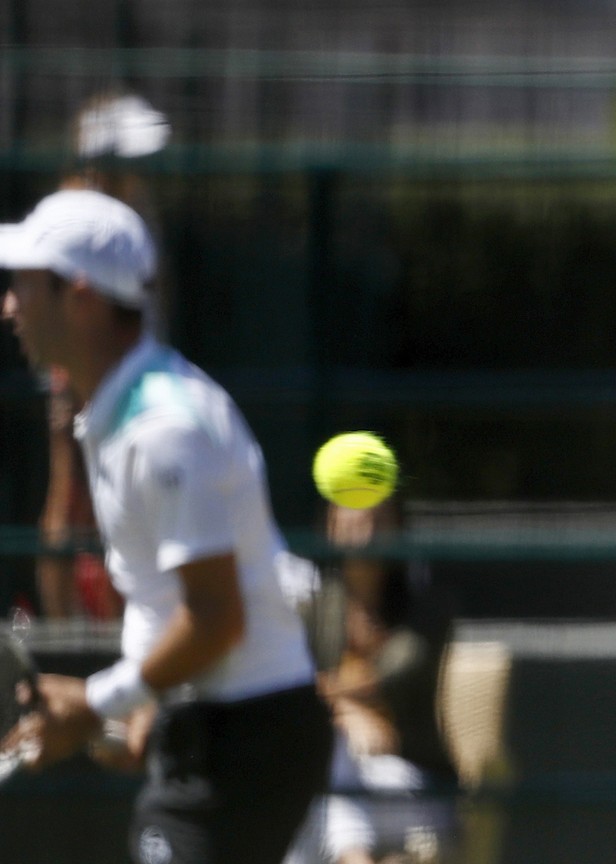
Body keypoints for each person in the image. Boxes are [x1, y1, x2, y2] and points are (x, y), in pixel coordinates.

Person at [1, 188, 333, 864]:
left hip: (250, 736)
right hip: (214, 727)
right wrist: (138, 713)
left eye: (25, 286)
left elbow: (216, 619)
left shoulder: (166, 430)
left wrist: (99, 702)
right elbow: (169, 601)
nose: (9, 307)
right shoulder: (115, 416)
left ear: (81, 297)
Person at [34, 91, 170, 620]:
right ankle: (62, 628)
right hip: (88, 368)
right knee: (70, 481)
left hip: (135, 372)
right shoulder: (77, 216)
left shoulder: (140, 215)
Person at [287, 500, 460, 864]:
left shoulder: (425, 609)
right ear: (329, 529)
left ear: (398, 530)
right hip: (341, 788)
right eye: (352, 524)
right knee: (318, 790)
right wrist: (346, 713)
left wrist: (328, 700)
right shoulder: (312, 608)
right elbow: (287, 688)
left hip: (414, 788)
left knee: (316, 801)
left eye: (377, 524)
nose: (365, 537)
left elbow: (382, 676)